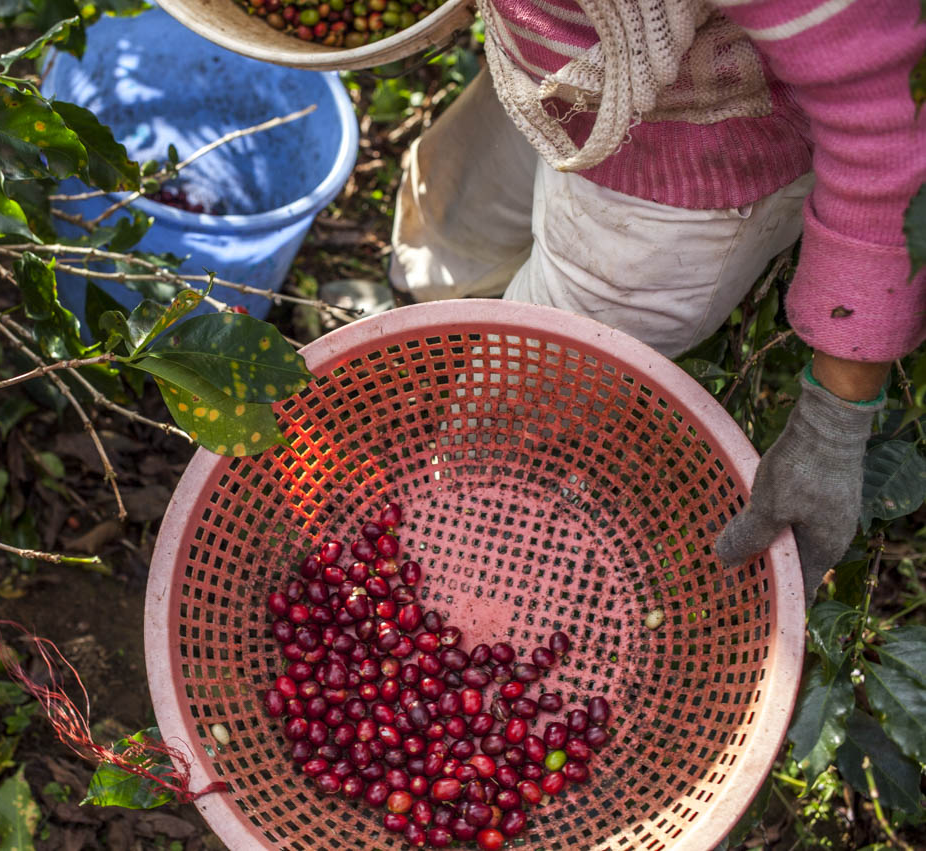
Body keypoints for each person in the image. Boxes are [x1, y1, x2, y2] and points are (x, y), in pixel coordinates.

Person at [390, 0, 926, 605]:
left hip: (689, 160)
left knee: (504, 435)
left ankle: (458, 590)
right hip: (552, 71)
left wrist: (835, 421)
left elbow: (891, 125)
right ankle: (424, 326)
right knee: (448, 226)